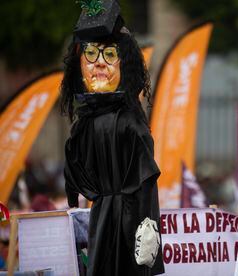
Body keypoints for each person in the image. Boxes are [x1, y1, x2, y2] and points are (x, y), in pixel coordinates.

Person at [60, 1, 164, 275]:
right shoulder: (85, 126)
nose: (99, 66)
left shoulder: (128, 124)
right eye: (91, 54)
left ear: (125, 63)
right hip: (105, 217)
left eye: (109, 54)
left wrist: (147, 224)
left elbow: (145, 181)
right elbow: (76, 176)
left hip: (125, 222)